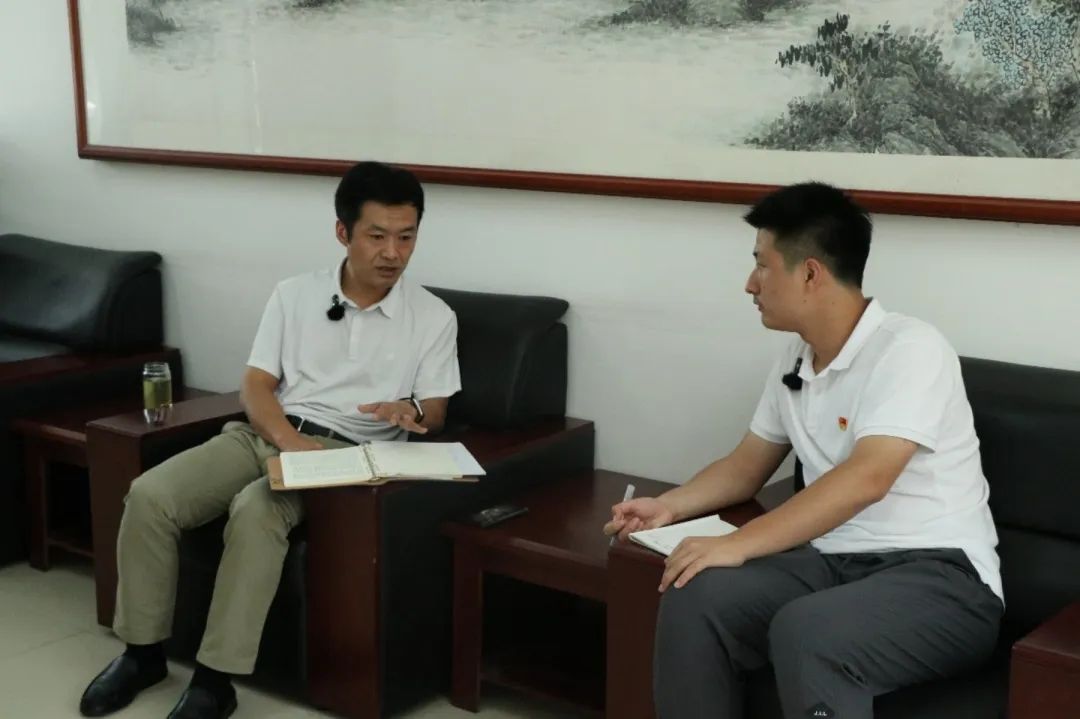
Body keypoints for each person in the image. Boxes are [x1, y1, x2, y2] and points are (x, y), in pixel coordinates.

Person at [604, 182, 1002, 719]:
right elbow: (745, 466)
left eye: (762, 265)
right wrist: (668, 506)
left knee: (806, 630)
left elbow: (868, 478)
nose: (750, 284)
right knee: (695, 591)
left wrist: (740, 543)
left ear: (810, 274)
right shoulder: (796, 357)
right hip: (832, 562)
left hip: (941, 579)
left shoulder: (911, 349)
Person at [79, 161, 461, 719]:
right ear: (343, 232)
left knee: (257, 509)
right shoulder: (294, 295)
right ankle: (142, 654)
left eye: (406, 237)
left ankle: (215, 681)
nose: (392, 253)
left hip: (347, 455)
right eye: (377, 236)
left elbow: (438, 411)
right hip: (267, 432)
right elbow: (256, 385)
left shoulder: (432, 316)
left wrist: (413, 411)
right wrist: (285, 439)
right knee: (151, 495)